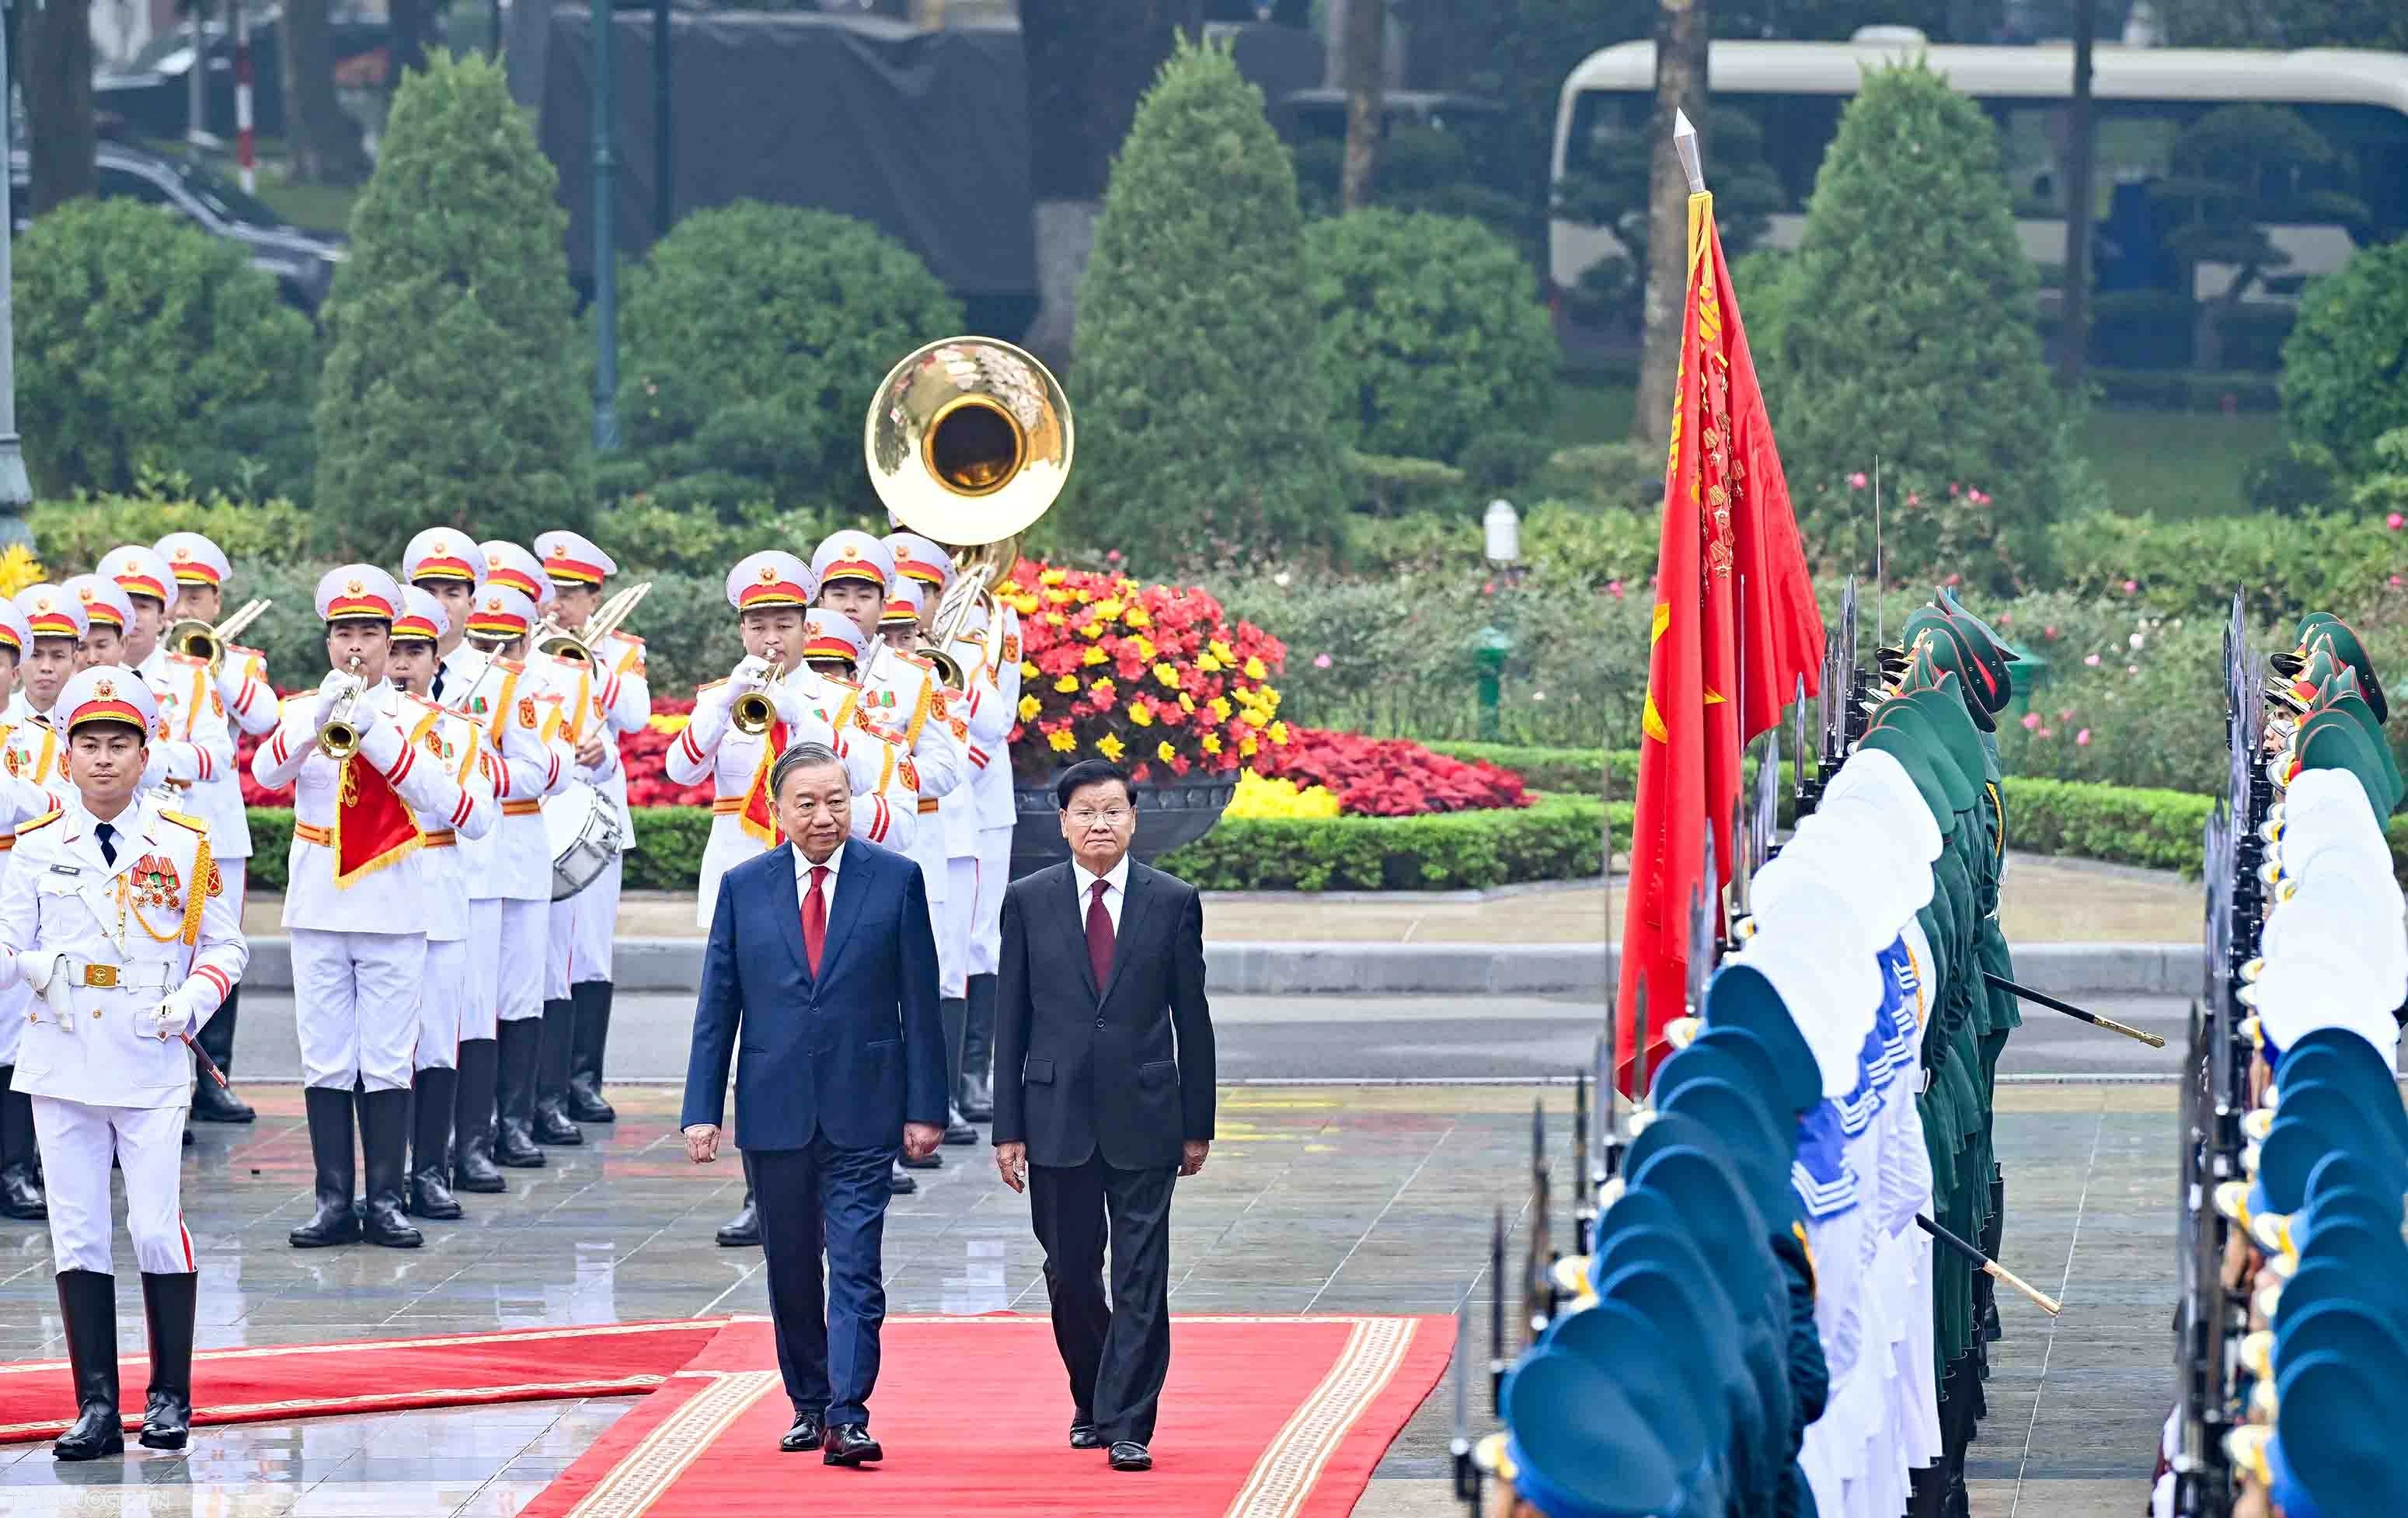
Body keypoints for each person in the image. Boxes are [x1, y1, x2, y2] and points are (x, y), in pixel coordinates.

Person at [0, 666, 248, 1458]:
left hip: (148, 1054)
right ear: (65, 756)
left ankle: (170, 1397)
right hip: (62, 1052)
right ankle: (97, 1409)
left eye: (120, 744)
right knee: (76, 1231)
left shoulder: (183, 841)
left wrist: (193, 1003)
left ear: (146, 755)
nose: (104, 759)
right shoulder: (36, 848)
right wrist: (32, 966)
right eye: (89, 745)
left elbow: (226, 945)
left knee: (150, 1226)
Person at [680, 742, 946, 1466]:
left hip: (865, 1106)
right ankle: (807, 1401)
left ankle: (849, 1412)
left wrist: (927, 1108)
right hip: (775, 1109)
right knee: (792, 1265)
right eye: (807, 802)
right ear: (777, 809)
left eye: (837, 800)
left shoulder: (894, 880)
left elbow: (921, 1003)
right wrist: (701, 1107)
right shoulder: (744, 886)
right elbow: (718, 1006)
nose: (824, 815)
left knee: (857, 1263)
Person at [991, 759, 1217, 1472]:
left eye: (1112, 810)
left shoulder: (1172, 899)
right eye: (1085, 811)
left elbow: (1194, 1018)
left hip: (1146, 1114)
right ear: (1060, 822)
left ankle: (1129, 1420)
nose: (1099, 823)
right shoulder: (1027, 899)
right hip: (1054, 1115)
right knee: (1070, 1272)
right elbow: (1010, 1019)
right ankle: (1091, 1392)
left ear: (1132, 818)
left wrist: (1197, 1120)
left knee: (1141, 1274)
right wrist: (1007, 1127)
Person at [251, 567, 471, 1251]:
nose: (357, 646)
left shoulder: (420, 720)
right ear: (328, 640)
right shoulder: (300, 710)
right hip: (318, 902)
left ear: (388, 639)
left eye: (369, 634)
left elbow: (446, 799)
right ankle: (331, 1199)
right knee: (323, 1057)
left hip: (395, 902)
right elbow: (264, 772)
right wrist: (319, 726)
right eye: (344, 633)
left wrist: (375, 730)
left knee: (384, 1057)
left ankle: (386, 1200)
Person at [708, 608, 926, 1245]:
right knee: (765, 1041)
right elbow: (683, 767)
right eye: (818, 666)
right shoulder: (743, 699)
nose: (823, 677)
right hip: (757, 889)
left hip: (847, 893)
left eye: (837, 668)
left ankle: (855, 1162)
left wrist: (826, 806)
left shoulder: (864, 729)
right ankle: (763, 1188)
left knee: (846, 1030)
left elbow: (901, 821)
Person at [438, 570, 586, 1178]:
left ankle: (516, 1120)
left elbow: (550, 772)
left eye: (511, 634)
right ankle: (466, 1136)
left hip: (518, 848)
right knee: (468, 1003)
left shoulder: (522, 684)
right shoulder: (418, 676)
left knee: (521, 994)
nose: (499, 645)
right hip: (460, 859)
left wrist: (482, 770)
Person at [153, 532, 279, 1123]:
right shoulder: (147, 666)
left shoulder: (240, 662)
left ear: (216, 602)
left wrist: (214, 664)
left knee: (221, 948)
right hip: (157, 819)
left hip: (217, 825)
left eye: (195, 595)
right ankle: (165, 1077)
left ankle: (213, 1077)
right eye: (173, 594)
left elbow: (263, 719)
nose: (182, 607)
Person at [385, 588, 499, 1219]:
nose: (401, 664)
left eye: (413, 652)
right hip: (375, 899)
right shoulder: (349, 722)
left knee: (434, 1040)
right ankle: (383, 1177)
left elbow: (479, 816)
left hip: (440, 894)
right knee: (381, 1048)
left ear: (435, 661)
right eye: (393, 650)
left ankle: (429, 1171)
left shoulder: (459, 733)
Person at [535, 530, 650, 1131]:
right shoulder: (521, 650)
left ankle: (584, 1080)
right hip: (538, 810)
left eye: (569, 594)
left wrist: (590, 658)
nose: (556, 606)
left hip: (596, 817)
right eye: (548, 592)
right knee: (548, 952)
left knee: (590, 951)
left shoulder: (620, 652)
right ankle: (545, 1089)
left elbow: (635, 715)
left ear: (593, 596)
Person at [0, 599, 69, 1223]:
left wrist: (17, 796)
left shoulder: (42, 740)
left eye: (2, 658)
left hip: (14, 878)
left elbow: (60, 804)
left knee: (16, 1029)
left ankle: (17, 1166)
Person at [61, 576, 135, 671]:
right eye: (81, 648)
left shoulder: (143, 685)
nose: (92, 659)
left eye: (101, 646)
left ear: (123, 644)